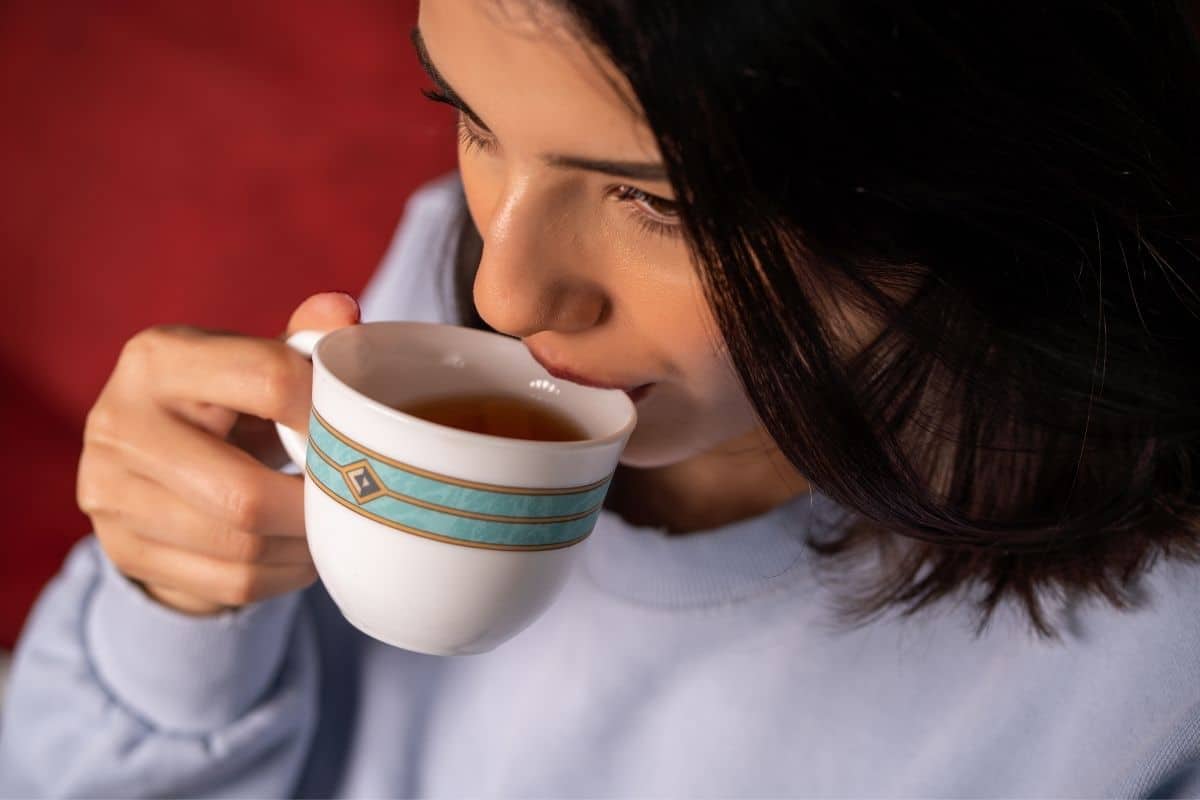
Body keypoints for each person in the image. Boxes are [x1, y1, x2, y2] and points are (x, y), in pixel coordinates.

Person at [3, 0, 1200, 795]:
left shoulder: (1151, 670)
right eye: (471, 121)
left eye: (658, 202)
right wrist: (174, 608)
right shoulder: (441, 279)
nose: (511, 287)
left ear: (975, 173)